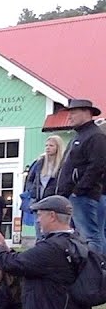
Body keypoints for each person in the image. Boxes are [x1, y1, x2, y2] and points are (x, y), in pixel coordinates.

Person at [54, 98, 106, 254]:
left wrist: (79, 190)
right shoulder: (79, 136)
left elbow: (97, 165)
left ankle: (95, 269)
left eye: (73, 112)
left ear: (87, 113)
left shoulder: (95, 136)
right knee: (86, 235)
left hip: (84, 195)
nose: (70, 116)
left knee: (90, 235)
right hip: (75, 195)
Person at [26, 136, 66, 203]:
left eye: (51, 145)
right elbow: (30, 179)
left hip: (55, 200)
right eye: (46, 145)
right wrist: (33, 192)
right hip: (38, 200)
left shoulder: (63, 163)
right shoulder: (40, 162)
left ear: (58, 147)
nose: (48, 148)